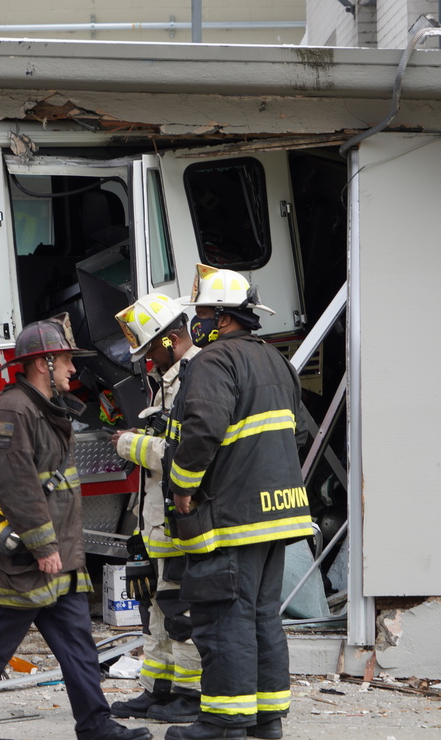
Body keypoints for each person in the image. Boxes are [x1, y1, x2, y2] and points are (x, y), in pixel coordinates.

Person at [0, 314, 152, 740]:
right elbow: (15, 484)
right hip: (28, 560)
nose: (73, 370)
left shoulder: (44, 409)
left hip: (61, 556)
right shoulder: (10, 412)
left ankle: (96, 725)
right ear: (44, 364)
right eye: (65, 361)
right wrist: (42, 546)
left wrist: (58, 549)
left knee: (79, 647)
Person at [162, 265, 313, 740]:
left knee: (224, 616)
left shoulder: (213, 361)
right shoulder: (275, 360)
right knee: (262, 617)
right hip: (279, 515)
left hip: (232, 517)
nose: (197, 322)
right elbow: (303, 433)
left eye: (203, 312)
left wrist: (183, 488)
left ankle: (224, 725)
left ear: (224, 318)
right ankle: (266, 722)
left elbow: (203, 429)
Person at [108, 294, 203, 724]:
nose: (147, 361)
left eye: (151, 350)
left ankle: (189, 694)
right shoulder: (169, 379)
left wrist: (130, 443)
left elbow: (184, 452)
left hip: (182, 521)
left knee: (182, 613)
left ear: (170, 339)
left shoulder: (197, 376)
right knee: (157, 612)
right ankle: (157, 690)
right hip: (157, 525)